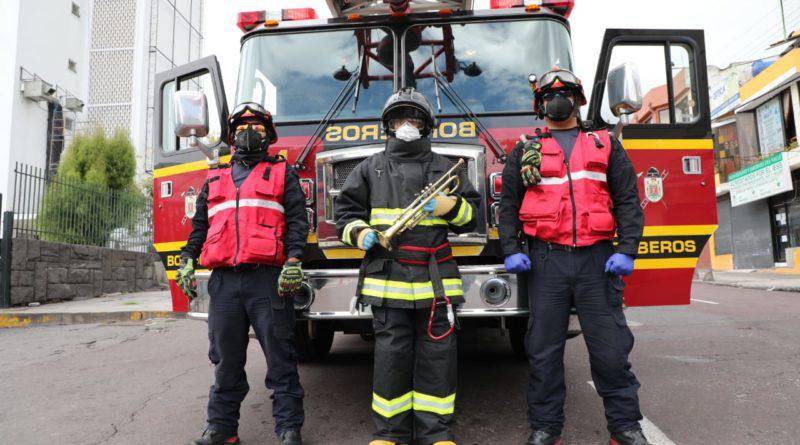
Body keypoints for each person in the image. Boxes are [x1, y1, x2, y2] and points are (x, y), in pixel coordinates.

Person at [498, 69, 649, 445]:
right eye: (550, 95)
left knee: (611, 350)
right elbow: (509, 205)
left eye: (565, 92)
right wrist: (511, 249)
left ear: (578, 100)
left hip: (597, 261)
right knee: (543, 351)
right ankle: (546, 428)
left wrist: (627, 249)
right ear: (540, 105)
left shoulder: (605, 143)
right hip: (546, 261)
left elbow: (628, 200)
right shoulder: (524, 148)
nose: (557, 99)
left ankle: (625, 427)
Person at [335, 88, 480, 445]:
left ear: (426, 125)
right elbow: (345, 216)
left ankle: (437, 434)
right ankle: (389, 434)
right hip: (388, 280)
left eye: (413, 119)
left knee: (438, 359)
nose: (406, 125)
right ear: (388, 125)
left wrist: (451, 207)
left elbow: (473, 218)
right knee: (391, 359)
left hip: (436, 281)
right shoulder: (370, 167)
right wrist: (361, 233)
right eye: (400, 119)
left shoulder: (445, 168)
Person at [176, 102, 309, 445]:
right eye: (243, 127)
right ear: (232, 136)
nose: (251, 132)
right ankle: (222, 428)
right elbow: (200, 226)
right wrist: (187, 258)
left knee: (280, 357)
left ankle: (288, 428)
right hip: (224, 283)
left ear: (269, 135)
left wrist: (294, 260)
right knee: (225, 360)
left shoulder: (283, 173)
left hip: (268, 280)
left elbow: (297, 221)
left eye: (258, 127)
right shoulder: (216, 177)